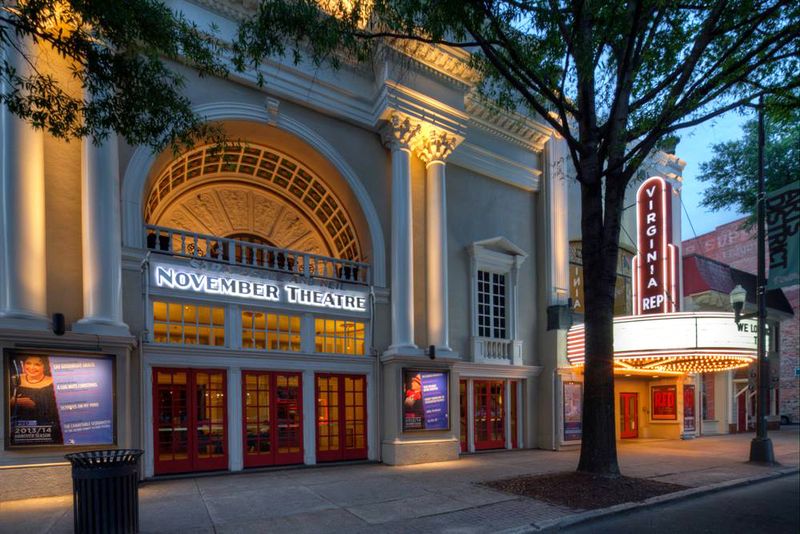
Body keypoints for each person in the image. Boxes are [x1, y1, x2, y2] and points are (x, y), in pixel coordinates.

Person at [9, 355, 62, 444]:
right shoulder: (14, 380)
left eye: (37, 364)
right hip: (20, 429)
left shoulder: (55, 382)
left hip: (49, 429)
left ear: (45, 366)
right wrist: (16, 402)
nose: (31, 367)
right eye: (28, 363)